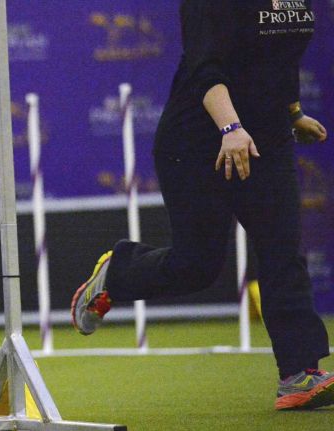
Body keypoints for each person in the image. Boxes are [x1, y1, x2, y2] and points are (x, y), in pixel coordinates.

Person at [70, 0, 331, 410]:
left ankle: (298, 373)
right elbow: (205, 68)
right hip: (198, 142)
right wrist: (231, 128)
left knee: (283, 250)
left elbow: (281, 52)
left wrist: (292, 112)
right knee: (198, 265)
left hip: (266, 138)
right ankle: (118, 272)